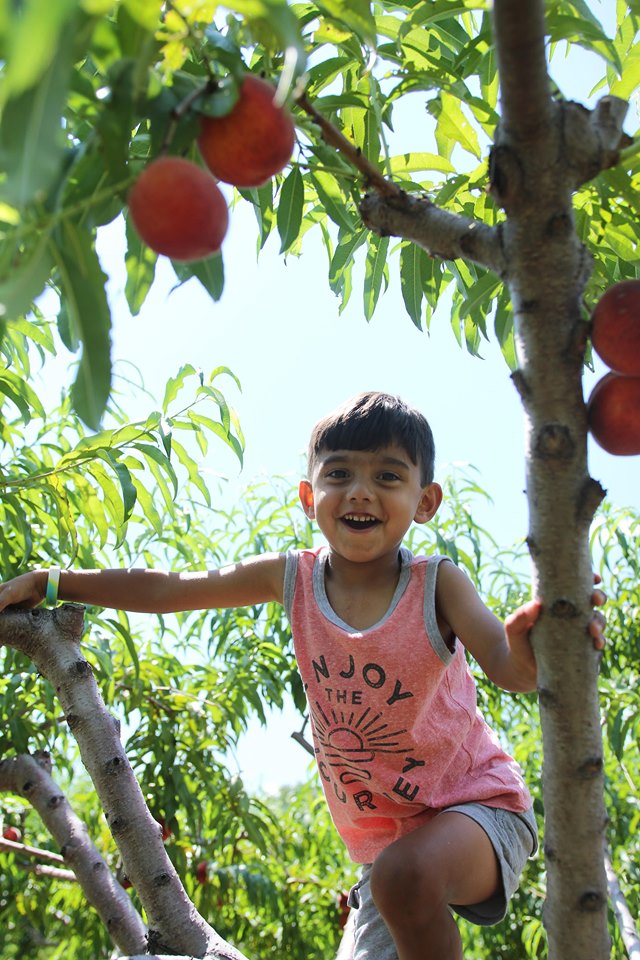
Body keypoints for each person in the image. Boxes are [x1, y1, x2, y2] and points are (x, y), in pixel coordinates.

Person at [0, 391, 605, 960]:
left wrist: (537, 649)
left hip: (479, 809)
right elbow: (171, 588)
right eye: (339, 474)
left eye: (388, 476)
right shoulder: (293, 578)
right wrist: (54, 581)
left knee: (403, 874)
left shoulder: (435, 583)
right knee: (395, 876)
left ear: (426, 502)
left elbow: (508, 666)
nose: (360, 493)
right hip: (386, 854)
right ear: (307, 495)